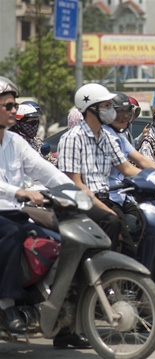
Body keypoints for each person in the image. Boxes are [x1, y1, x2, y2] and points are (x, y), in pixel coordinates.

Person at [0, 76, 90, 348]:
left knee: (60, 242)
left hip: (15, 213)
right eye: (7, 106)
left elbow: (43, 169)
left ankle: (56, 316)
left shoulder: (16, 142)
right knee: (13, 235)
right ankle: (7, 306)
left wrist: (73, 190)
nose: (13, 110)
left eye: (13, 105)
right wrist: (18, 192)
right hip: (5, 215)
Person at [57, 83, 142, 258]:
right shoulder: (72, 138)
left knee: (134, 241)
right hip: (82, 201)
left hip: (105, 198)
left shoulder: (106, 137)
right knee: (110, 221)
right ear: (90, 109)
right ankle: (99, 268)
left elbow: (126, 168)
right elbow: (76, 184)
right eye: (106, 106)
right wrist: (104, 207)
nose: (111, 110)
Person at [103, 92, 155, 243]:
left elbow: (140, 159)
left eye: (127, 112)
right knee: (126, 241)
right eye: (119, 112)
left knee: (146, 222)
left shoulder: (120, 135)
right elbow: (127, 169)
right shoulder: (106, 136)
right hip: (107, 195)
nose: (124, 117)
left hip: (123, 195)